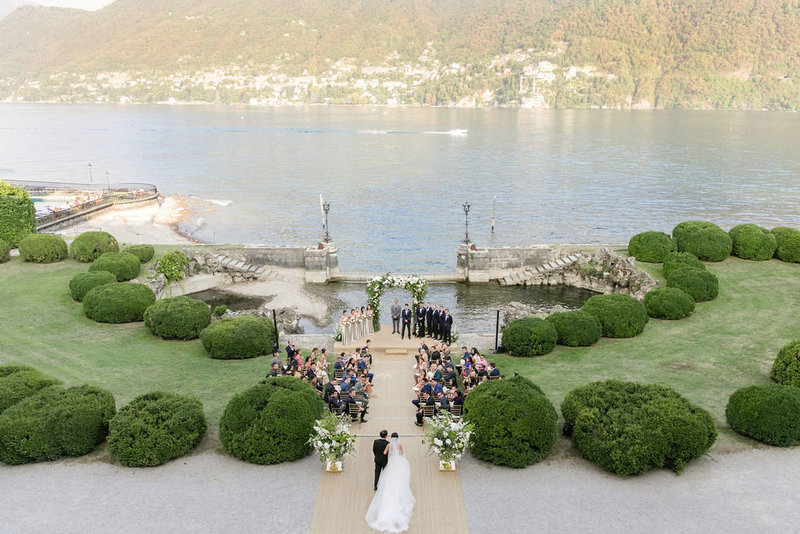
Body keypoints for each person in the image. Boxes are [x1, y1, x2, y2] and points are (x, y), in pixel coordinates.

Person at [365, 432, 416, 532]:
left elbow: (384, 453)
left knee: (388, 475)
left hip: (391, 461)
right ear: (397, 437)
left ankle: (379, 486)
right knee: (400, 474)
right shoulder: (399, 444)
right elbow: (401, 453)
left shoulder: (389, 445)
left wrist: (390, 454)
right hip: (398, 461)